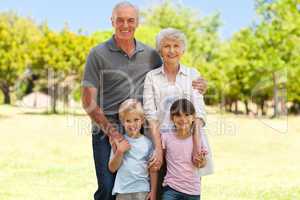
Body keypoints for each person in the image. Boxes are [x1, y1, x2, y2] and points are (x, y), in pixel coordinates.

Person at [81, 2, 207, 200]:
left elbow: (171, 70)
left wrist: (199, 84)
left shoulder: (151, 55)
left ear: (137, 22)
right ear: (112, 21)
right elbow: (88, 101)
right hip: (108, 125)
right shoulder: (97, 54)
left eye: (130, 20)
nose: (125, 25)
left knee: (150, 185)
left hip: (142, 125)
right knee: (108, 186)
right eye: (120, 20)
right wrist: (113, 134)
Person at [143, 28, 213, 199]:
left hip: (189, 141)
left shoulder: (192, 74)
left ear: (183, 50)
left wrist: (197, 146)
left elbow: (199, 112)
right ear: (160, 50)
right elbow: (150, 115)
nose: (172, 50)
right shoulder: (152, 77)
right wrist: (158, 149)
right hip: (163, 140)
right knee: (162, 190)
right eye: (166, 46)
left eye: (176, 46)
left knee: (188, 188)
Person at [108, 99, 157, 200]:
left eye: (136, 120)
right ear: (122, 122)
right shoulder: (119, 141)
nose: (132, 124)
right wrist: (120, 151)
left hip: (142, 190)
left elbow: (153, 169)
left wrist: (153, 191)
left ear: (142, 120)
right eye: (128, 121)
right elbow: (112, 168)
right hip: (123, 190)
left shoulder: (148, 143)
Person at [161, 99, 204, 200]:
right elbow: (162, 159)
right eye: (178, 115)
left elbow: (202, 163)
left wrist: (201, 161)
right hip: (171, 188)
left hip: (193, 190)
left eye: (187, 115)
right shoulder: (166, 137)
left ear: (193, 117)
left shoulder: (198, 138)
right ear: (172, 118)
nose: (183, 119)